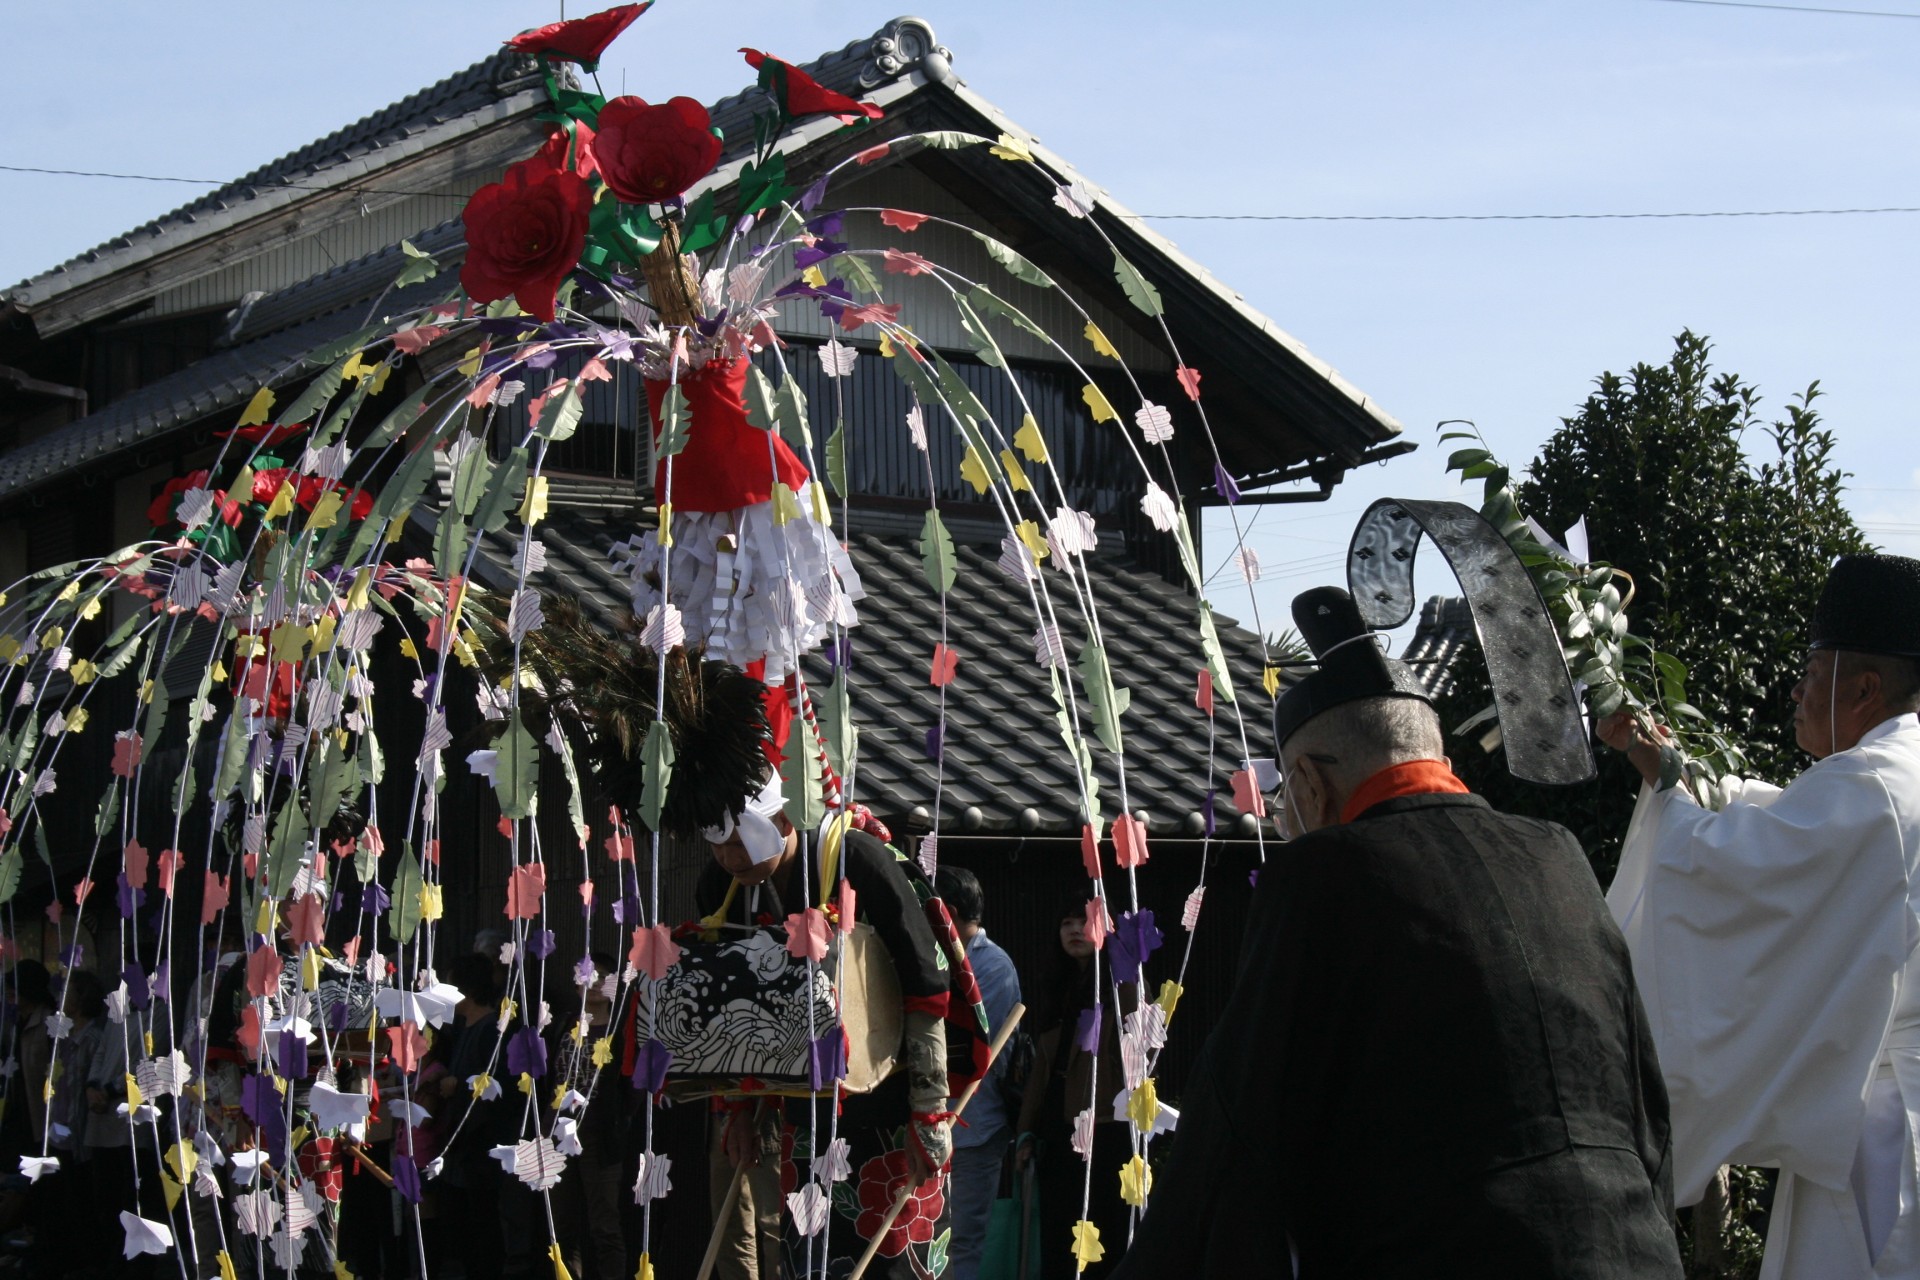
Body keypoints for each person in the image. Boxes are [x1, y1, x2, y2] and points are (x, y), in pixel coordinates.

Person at [1115, 585, 1681, 1278]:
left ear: (1309, 786)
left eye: (1282, 801)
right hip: (1633, 1249)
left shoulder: (1323, 873)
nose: (1283, 820)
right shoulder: (1557, 854)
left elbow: (1237, 1124)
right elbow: (1644, 1103)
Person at [1601, 552, 1920, 1276]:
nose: (1800, 688)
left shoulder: (1877, 784)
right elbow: (1792, 832)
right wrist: (1684, 777)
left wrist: (1669, 787)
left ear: (1865, 687)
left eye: (1814, 670)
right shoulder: (1897, 775)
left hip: (1888, 1130)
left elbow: (1747, 871)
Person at [694, 772, 953, 1279]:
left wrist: (930, 1108)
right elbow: (731, 1007)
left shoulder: (856, 859)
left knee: (894, 1260)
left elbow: (925, 986)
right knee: (808, 1259)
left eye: (741, 840)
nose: (730, 857)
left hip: (888, 1098)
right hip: (802, 1110)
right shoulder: (721, 887)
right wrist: (737, 1109)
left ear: (783, 818)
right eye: (718, 844)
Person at [1014, 898, 1134, 1279]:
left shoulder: (1122, 984)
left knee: (1103, 1230)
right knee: (1060, 1231)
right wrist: (1026, 1131)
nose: (1073, 930)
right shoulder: (1060, 983)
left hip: (1106, 1125)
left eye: (1084, 920)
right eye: (1066, 922)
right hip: (1059, 1123)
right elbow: (1043, 1073)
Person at [935, 865, 1022, 1280]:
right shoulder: (938, 956)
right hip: (934, 1120)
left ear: (947, 911)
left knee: (962, 1237)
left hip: (974, 1122)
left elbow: (975, 1048)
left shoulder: (993, 966)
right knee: (926, 1235)